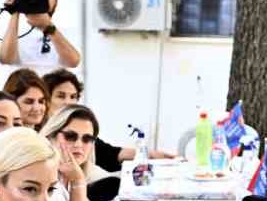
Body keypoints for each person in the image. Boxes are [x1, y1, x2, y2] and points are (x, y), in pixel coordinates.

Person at [44, 69, 177, 170]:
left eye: (73, 97)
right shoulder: (38, 138)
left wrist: (154, 155)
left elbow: (111, 154)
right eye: (61, 96)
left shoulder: (83, 127)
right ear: (46, 100)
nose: (69, 102)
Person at [40, 103, 101, 201]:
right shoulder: (46, 173)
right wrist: (78, 181)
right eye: (70, 136)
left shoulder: (67, 172)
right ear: (51, 136)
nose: (78, 144)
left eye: (87, 139)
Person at [0, 0, 81, 76]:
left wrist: (47, 27)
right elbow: (6, 59)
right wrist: (15, 9)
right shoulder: (15, 32)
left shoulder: (69, 32)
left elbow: (73, 62)